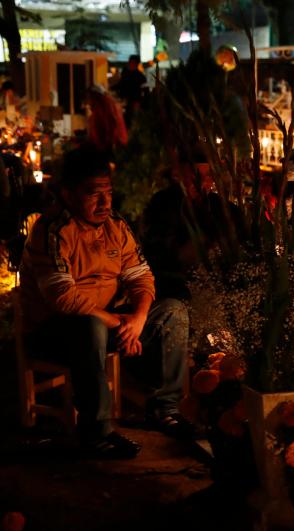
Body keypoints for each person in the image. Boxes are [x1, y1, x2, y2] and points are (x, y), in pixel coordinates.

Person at [19, 145, 190, 459]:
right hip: (55, 331)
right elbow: (64, 298)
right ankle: (96, 430)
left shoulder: (116, 226)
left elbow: (141, 276)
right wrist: (119, 323)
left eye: (108, 193)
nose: (105, 202)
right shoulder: (52, 231)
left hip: (109, 322)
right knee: (89, 326)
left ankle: (164, 408)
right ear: (68, 194)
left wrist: (137, 319)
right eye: (93, 194)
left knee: (172, 312)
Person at [112, 55, 147, 127]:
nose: (131, 64)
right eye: (130, 62)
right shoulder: (125, 73)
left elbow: (143, 89)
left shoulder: (140, 76)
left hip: (134, 100)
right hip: (124, 99)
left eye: (133, 62)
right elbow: (121, 84)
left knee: (133, 118)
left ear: (136, 64)